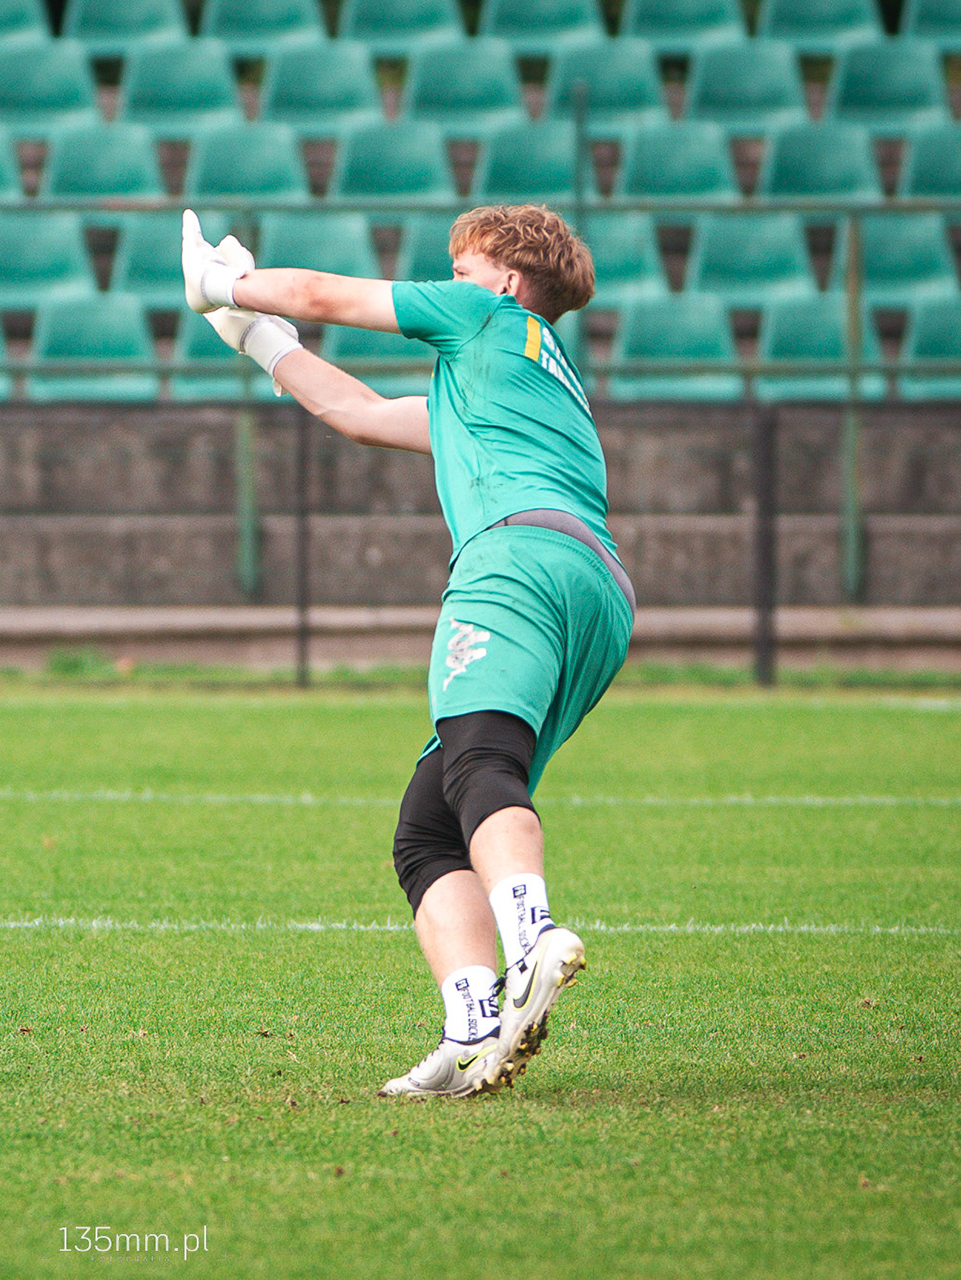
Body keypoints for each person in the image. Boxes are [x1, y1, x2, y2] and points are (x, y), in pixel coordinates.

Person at [182, 204, 635, 1097]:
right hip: (598, 591)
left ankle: (533, 936)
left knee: (481, 765)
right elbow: (355, 411)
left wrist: (219, 283)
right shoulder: (533, 382)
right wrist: (257, 338)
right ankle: (471, 1029)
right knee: (429, 829)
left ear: (507, 280)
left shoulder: (485, 316)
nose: (449, 280)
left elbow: (326, 294)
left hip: (514, 559)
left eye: (463, 266)